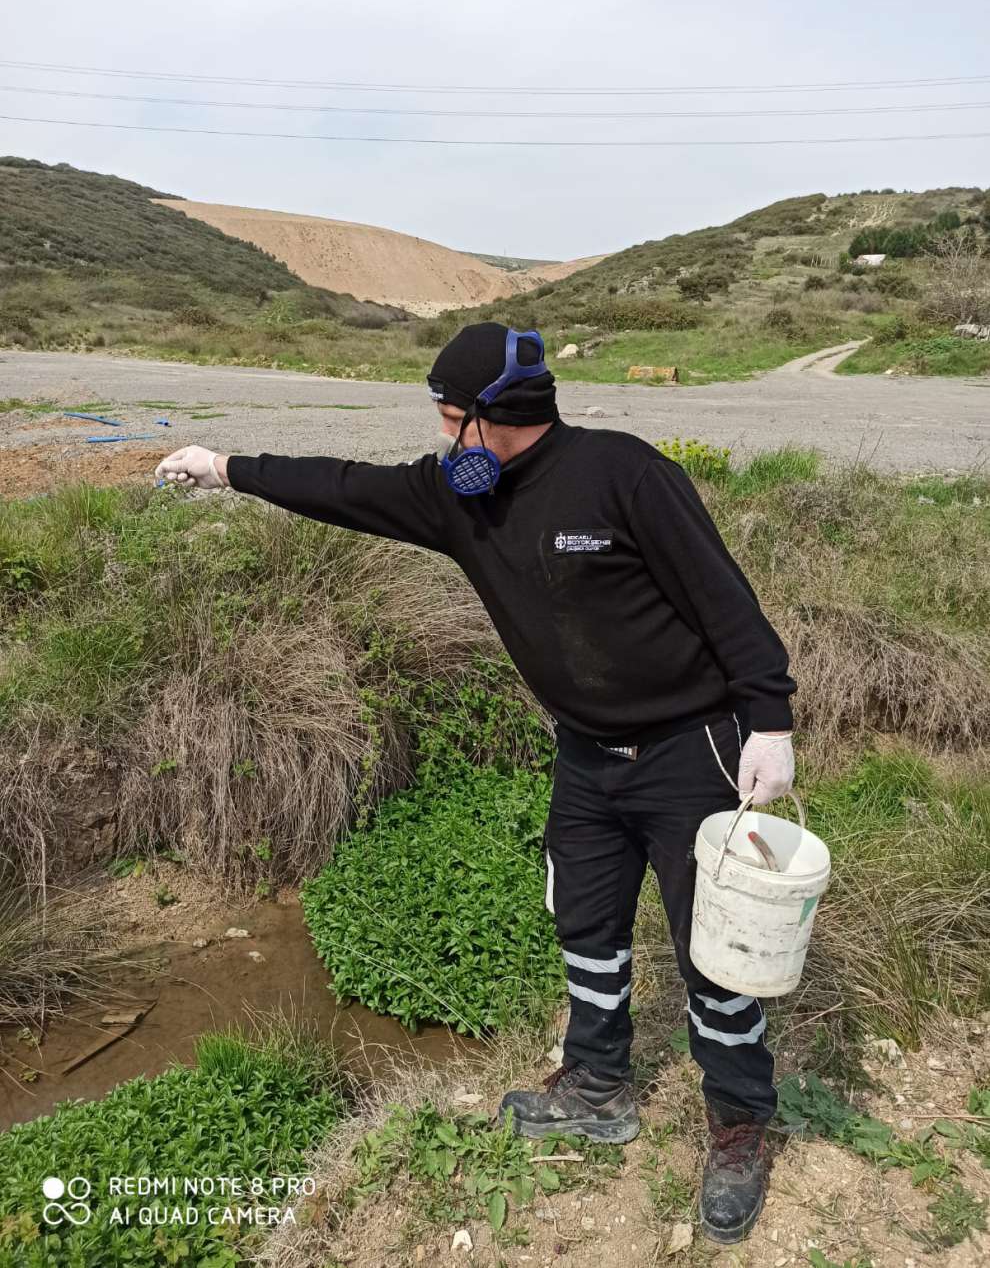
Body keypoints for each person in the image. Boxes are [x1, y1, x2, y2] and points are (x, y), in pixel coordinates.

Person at [155, 321, 796, 1245]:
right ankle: (597, 1086)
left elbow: (722, 594)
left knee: (716, 951)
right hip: (585, 756)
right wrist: (226, 467)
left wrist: (767, 717)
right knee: (586, 926)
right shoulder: (459, 500)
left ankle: (739, 1123)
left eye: (449, 416)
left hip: (688, 751)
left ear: (492, 418)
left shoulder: (624, 473)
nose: (439, 435)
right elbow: (344, 487)